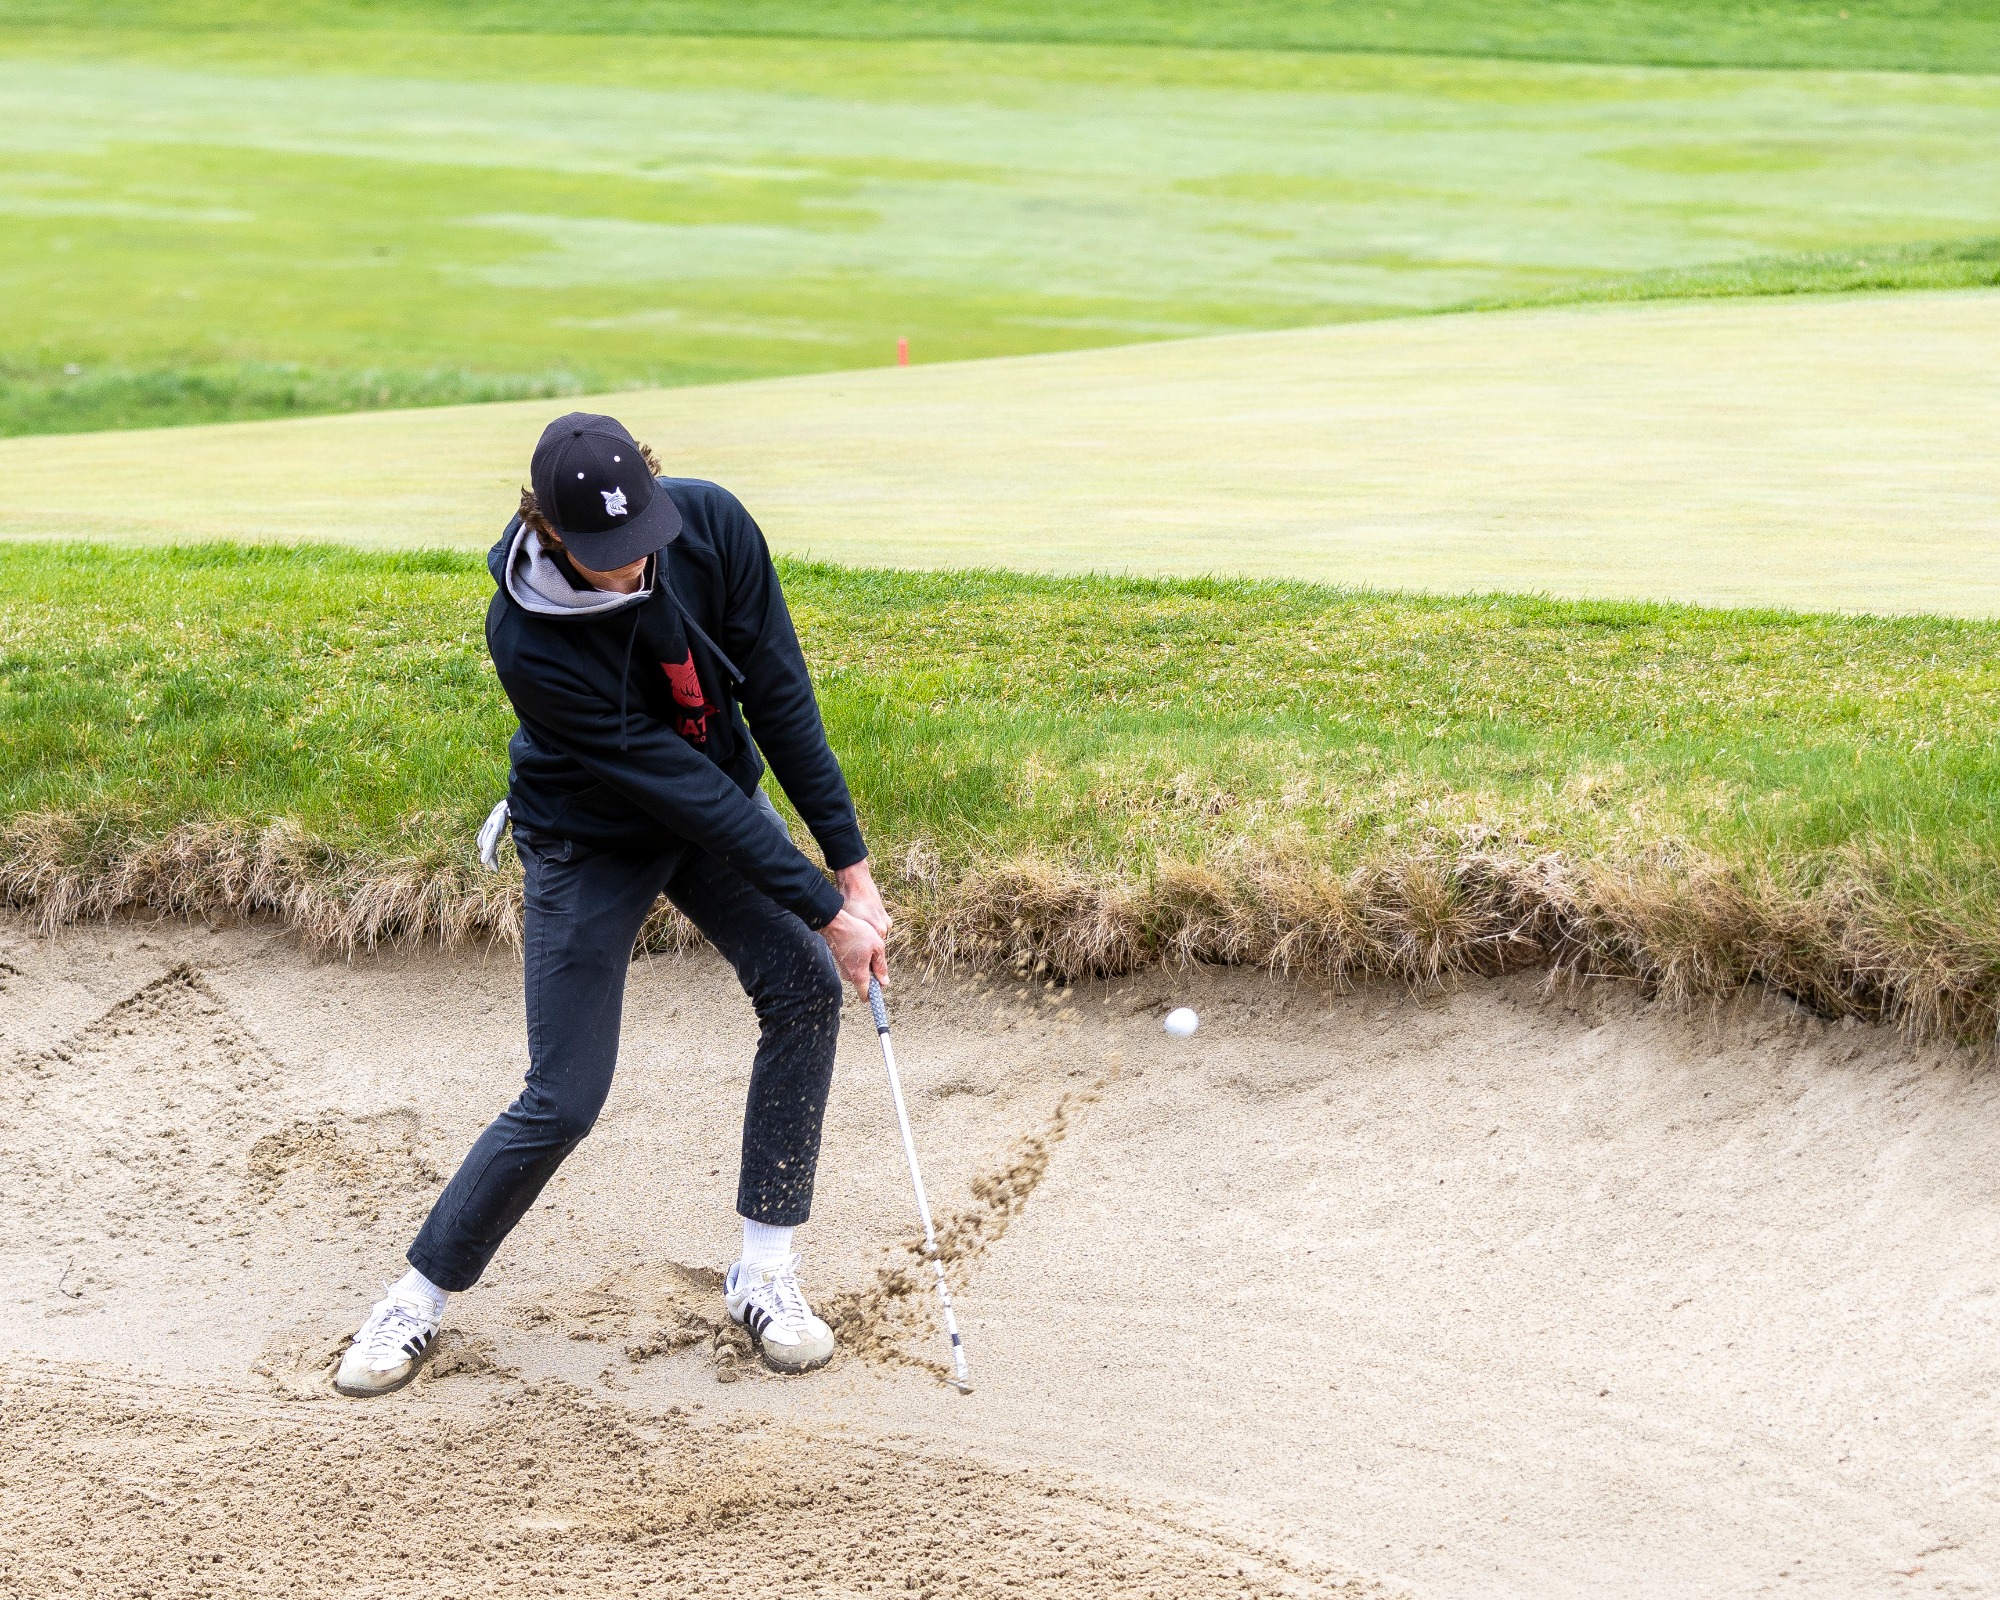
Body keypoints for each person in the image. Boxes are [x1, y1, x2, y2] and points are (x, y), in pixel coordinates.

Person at [335, 412, 888, 1397]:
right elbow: (683, 790)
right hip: (587, 834)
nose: (631, 570)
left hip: (708, 799)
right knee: (564, 1094)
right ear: (547, 531)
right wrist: (818, 903)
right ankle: (415, 1296)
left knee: (802, 988)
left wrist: (849, 868)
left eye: (640, 545)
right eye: (604, 557)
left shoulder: (712, 528)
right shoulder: (525, 635)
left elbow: (779, 694)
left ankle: (763, 1274)